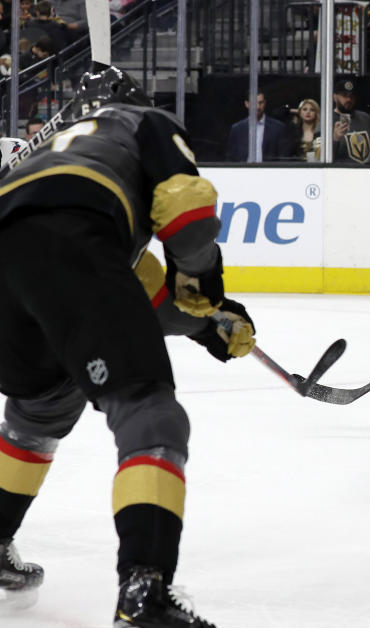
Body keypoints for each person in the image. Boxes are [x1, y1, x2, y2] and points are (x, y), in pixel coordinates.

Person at [0, 66, 256, 626]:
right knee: (150, 411)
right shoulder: (145, 121)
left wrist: (207, 324)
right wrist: (206, 287)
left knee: (40, 410)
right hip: (72, 236)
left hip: (12, 262)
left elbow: (127, 294)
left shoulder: (52, 153)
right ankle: (145, 591)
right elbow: (188, 220)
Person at [225, 91, 293, 162]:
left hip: (269, 172)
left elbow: (284, 158)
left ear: (265, 103)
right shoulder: (237, 129)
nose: (257, 107)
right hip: (243, 172)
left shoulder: (278, 128)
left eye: (261, 103)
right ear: (247, 104)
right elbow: (230, 157)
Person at [332, 77, 370, 163]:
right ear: (335, 97)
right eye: (344, 96)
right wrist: (335, 139)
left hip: (367, 172)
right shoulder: (326, 120)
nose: (349, 99)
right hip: (339, 173)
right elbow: (320, 157)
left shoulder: (366, 118)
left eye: (351, 96)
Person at [291, 97, 322, 161]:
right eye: (305, 109)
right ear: (299, 112)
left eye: (312, 110)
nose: (308, 112)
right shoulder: (293, 132)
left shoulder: (321, 132)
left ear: (316, 113)